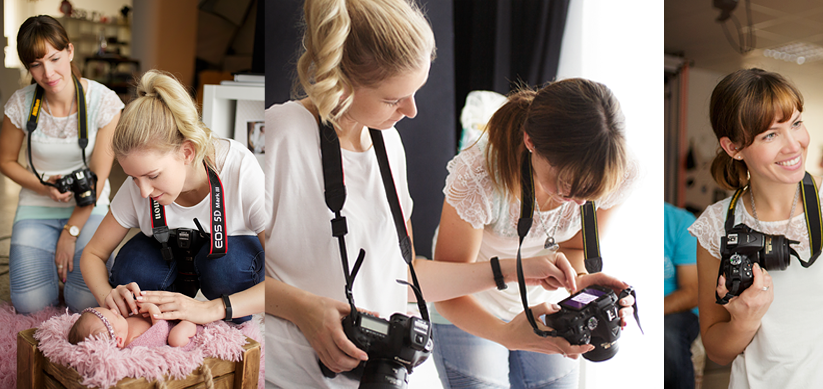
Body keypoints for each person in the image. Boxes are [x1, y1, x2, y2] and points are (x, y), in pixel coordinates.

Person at [263, 1, 580, 387]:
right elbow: (232, 274)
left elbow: (408, 275)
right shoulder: (282, 132)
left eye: (416, 92)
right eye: (392, 99)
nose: (411, 111)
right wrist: (304, 310)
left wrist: (518, 278)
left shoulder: (388, 144)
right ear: (341, 80)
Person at [691, 68, 823, 388]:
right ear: (733, 147)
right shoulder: (717, 225)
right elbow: (717, 351)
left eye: (796, 123)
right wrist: (744, 322)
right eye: (770, 135)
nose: (793, 145)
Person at [431, 78, 638, 389]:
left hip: (546, 303)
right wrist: (506, 335)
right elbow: (447, 288)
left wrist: (580, 283)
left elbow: (574, 248)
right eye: (568, 187)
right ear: (531, 142)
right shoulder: (478, 176)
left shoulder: (618, 171)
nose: (581, 202)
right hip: (471, 303)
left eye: (591, 193)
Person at [78, 70, 266, 326]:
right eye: (133, 178)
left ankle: (221, 306)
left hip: (229, 258)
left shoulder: (240, 168)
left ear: (187, 152)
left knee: (228, 272)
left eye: (153, 176)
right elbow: (92, 253)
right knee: (132, 272)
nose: (143, 191)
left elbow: (286, 276)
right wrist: (107, 295)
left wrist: (208, 310)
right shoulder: (140, 181)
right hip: (169, 253)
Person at [0, 15, 122, 314]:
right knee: (31, 306)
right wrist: (43, 187)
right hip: (36, 209)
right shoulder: (21, 102)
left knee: (85, 303)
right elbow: (5, 160)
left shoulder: (103, 102)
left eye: (54, 58)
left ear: (69, 51)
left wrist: (70, 233)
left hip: (90, 211)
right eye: (36, 64)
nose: (48, 72)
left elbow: (96, 179)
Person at [664, 202, 699, 389]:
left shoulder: (680, 222)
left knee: (667, 333)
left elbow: (692, 292)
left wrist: (651, 312)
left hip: (677, 313)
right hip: (627, 306)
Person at [68, 304, 198, 348]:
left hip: (167, 315)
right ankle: (190, 323)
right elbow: (159, 336)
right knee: (176, 339)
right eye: (114, 316)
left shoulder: (123, 327)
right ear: (119, 340)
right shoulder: (133, 342)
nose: (114, 311)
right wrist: (153, 311)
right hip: (170, 328)